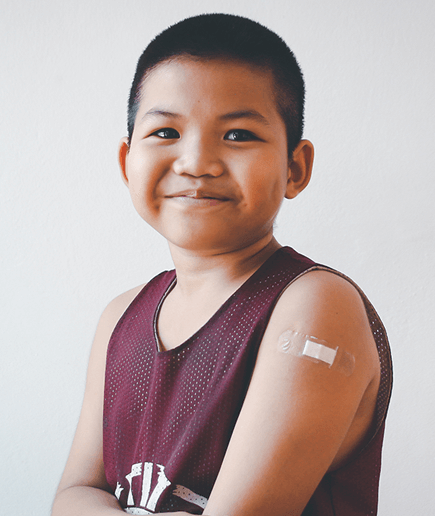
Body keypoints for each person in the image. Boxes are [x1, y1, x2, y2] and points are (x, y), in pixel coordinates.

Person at [51, 13, 392, 516]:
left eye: (237, 136)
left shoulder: (313, 307)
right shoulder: (119, 319)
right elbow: (74, 494)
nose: (196, 162)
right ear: (127, 164)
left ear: (295, 168)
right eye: (166, 131)